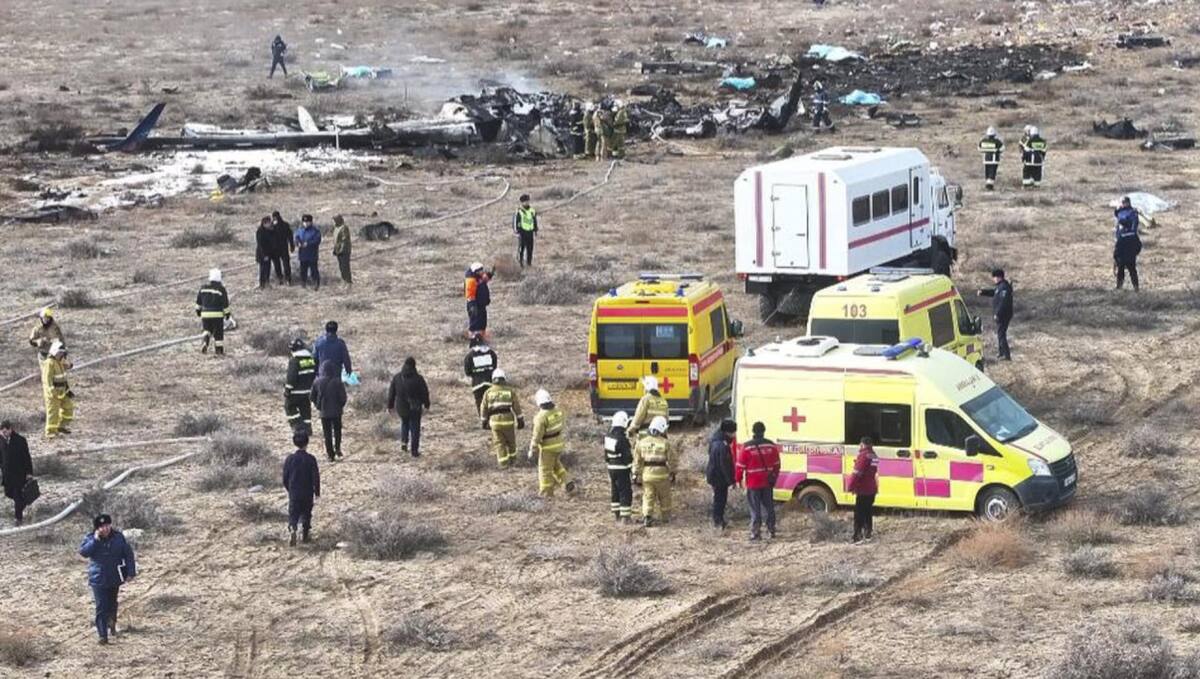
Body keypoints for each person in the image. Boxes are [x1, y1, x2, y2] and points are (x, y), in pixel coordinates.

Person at [79, 514, 136, 645]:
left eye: (107, 525)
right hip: (98, 578)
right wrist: (95, 540)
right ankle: (102, 635)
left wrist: (131, 572)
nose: (105, 529)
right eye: (102, 527)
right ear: (97, 528)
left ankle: (112, 622)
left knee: (112, 603)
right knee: (101, 607)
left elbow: (128, 554)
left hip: (114, 576)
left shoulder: (118, 537)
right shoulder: (90, 538)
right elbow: (83, 552)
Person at [736, 421, 781, 541]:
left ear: (753, 431)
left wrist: (738, 480)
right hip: (767, 482)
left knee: (755, 508)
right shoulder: (771, 446)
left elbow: (740, 466)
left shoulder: (747, 447)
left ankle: (756, 533)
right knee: (769, 507)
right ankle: (771, 530)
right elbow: (777, 465)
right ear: (764, 431)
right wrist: (774, 477)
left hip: (753, 483)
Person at [529, 389, 574, 497]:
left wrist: (532, 450)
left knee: (545, 469)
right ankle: (567, 482)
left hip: (547, 447)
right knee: (555, 465)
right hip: (559, 444)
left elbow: (537, 436)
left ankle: (546, 492)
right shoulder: (558, 412)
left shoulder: (541, 417)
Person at [633, 416, 675, 527]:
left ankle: (647, 516)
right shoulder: (665, 443)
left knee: (648, 496)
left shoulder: (641, 443)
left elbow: (637, 460)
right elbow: (672, 460)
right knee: (665, 497)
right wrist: (673, 472)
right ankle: (666, 517)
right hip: (662, 475)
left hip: (647, 475)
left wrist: (635, 474)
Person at [282, 430, 320, 546]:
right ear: (307, 443)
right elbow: (315, 477)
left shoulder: (290, 459)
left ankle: (293, 528)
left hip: (294, 491)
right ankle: (305, 534)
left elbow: (285, 477)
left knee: (293, 513)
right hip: (307, 491)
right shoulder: (311, 459)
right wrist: (317, 491)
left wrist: (289, 488)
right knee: (306, 513)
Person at [388, 357, 430, 457]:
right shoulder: (419, 379)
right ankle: (414, 451)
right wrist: (427, 404)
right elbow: (424, 393)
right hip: (415, 407)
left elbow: (391, 393)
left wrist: (390, 405)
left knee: (404, 423)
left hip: (401, 407)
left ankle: (404, 442)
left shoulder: (397, 377)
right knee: (415, 428)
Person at [480, 369, 523, 468]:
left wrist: (484, 421)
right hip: (508, 420)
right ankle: (513, 461)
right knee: (511, 442)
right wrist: (520, 419)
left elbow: (483, 407)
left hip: (494, 422)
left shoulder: (488, 392)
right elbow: (516, 406)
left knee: (499, 443)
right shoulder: (509, 391)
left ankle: (503, 464)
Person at [310, 360, 347, 461]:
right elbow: (343, 398)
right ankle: (338, 448)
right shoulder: (338, 382)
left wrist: (318, 406)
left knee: (327, 433)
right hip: (337, 411)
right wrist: (340, 406)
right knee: (337, 430)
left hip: (324, 412)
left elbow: (311, 396)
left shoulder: (317, 382)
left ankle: (330, 454)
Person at [706, 419, 737, 530]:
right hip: (719, 477)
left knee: (718, 499)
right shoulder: (722, 445)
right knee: (720, 500)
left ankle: (718, 520)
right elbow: (725, 465)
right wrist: (731, 480)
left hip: (714, 475)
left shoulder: (714, 440)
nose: (734, 435)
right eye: (733, 432)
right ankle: (718, 522)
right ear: (727, 432)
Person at [977, 268, 1014, 361]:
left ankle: (1006, 355)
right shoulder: (1000, 287)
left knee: (1001, 334)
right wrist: (983, 292)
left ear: (999, 277)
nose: (994, 279)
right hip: (1001, 315)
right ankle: (1001, 353)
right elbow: (994, 292)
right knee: (1000, 334)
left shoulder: (1004, 287)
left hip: (1004, 315)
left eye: (995, 277)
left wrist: (998, 314)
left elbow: (1003, 303)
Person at [0, 421, 33, 525]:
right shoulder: (0, 441)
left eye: (5, 431)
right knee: (8, 493)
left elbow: (27, 457)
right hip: (7, 474)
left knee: (17, 495)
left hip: (19, 473)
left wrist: (29, 472)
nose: (4, 434)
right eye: (2, 432)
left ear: (10, 429)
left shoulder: (20, 440)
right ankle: (24, 502)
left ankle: (18, 518)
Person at [604, 411, 634, 523]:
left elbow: (606, 455)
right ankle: (625, 517)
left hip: (611, 468)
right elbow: (627, 457)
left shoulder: (608, 436)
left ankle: (616, 515)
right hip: (622, 469)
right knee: (625, 491)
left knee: (615, 490)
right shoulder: (623, 439)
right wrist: (632, 470)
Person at [849, 437, 879, 543]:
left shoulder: (863, 455)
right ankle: (868, 534)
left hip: (863, 489)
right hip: (872, 488)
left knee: (859, 513)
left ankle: (857, 537)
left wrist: (850, 486)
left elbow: (857, 473)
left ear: (862, 444)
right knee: (868, 512)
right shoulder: (874, 455)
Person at [42, 341, 74, 438]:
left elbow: (66, 367)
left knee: (69, 408)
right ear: (55, 352)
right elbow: (47, 379)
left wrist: (68, 363)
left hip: (63, 391)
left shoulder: (60, 361)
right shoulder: (49, 363)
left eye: (62, 353)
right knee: (53, 412)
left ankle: (61, 426)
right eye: (60, 353)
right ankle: (50, 432)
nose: (61, 355)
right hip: (53, 393)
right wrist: (52, 391)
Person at [284, 338, 316, 434]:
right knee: (305, 409)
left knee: (289, 407)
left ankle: (298, 426)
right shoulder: (311, 360)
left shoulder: (294, 361)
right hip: (308, 391)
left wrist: (287, 390)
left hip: (295, 392)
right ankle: (308, 428)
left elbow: (291, 377)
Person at [195, 268, 231, 356]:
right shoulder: (221, 289)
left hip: (205, 314)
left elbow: (198, 302)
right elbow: (225, 303)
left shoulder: (203, 288)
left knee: (207, 330)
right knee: (218, 333)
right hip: (217, 315)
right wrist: (227, 314)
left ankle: (205, 342)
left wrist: (198, 311)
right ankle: (219, 351)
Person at [1113, 196, 1142, 291]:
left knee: (1130, 267)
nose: (1122, 204)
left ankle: (1135, 287)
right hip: (1123, 240)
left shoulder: (1131, 213)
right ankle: (1119, 286)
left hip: (1127, 240)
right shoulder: (1121, 212)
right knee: (1122, 267)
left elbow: (1133, 225)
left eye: (1123, 202)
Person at [464, 334, 498, 415]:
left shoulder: (470, 356)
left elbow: (467, 371)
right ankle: (491, 419)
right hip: (490, 383)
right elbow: (494, 367)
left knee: (480, 403)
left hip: (477, 384)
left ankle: (483, 420)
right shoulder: (491, 353)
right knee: (490, 402)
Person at [464, 262, 492, 338]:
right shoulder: (471, 281)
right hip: (474, 305)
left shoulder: (478, 278)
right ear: (476, 272)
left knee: (482, 322)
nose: (482, 272)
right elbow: (470, 294)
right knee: (475, 322)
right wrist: (472, 305)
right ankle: (473, 337)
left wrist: (489, 275)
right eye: (480, 270)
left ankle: (481, 336)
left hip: (481, 304)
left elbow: (484, 280)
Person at [295, 214, 322, 290]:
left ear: (311, 222)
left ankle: (316, 283)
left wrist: (308, 244)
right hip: (303, 254)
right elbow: (296, 237)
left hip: (312, 254)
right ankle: (303, 283)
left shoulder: (315, 231)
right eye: (304, 222)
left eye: (307, 222)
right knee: (303, 270)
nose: (305, 223)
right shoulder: (300, 230)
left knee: (314, 270)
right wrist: (298, 242)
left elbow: (317, 240)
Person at [513, 194, 538, 268]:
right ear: (521, 202)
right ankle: (520, 262)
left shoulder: (532, 210)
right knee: (522, 248)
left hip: (530, 232)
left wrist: (535, 229)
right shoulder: (519, 211)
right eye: (525, 201)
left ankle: (529, 262)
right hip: (522, 232)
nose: (526, 203)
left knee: (530, 248)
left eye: (527, 201)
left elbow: (534, 220)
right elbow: (516, 222)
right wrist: (517, 231)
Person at [269, 211, 294, 285]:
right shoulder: (271, 226)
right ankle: (280, 278)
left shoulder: (284, 225)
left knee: (286, 264)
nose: (274, 218)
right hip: (275, 249)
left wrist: (292, 245)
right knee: (277, 265)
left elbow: (290, 236)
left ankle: (288, 279)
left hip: (283, 248)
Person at [978, 126, 1004, 191]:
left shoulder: (983, 141)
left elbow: (979, 149)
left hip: (986, 159)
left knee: (987, 171)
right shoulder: (997, 141)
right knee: (992, 172)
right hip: (994, 160)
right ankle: (989, 186)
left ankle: (987, 183)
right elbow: (1002, 148)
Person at [331, 215, 352, 287]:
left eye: (334, 220)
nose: (333, 222)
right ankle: (344, 281)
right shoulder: (336, 227)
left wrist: (341, 250)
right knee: (341, 267)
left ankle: (348, 282)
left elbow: (344, 240)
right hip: (338, 250)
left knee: (345, 267)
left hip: (344, 251)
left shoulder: (344, 228)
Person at [255, 216, 274, 289]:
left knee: (268, 268)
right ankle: (262, 284)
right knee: (262, 269)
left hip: (268, 253)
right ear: (264, 223)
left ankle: (267, 282)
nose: (270, 224)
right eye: (268, 223)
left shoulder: (269, 230)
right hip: (262, 254)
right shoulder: (260, 232)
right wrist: (264, 255)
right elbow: (260, 245)